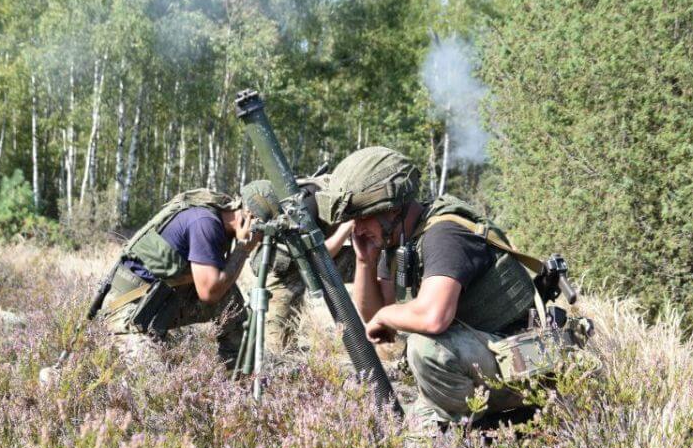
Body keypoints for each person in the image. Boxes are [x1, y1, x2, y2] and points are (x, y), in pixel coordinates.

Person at [316, 146, 575, 427]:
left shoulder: (444, 234)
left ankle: (480, 429)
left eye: (361, 216)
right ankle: (474, 425)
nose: (355, 227)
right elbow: (376, 317)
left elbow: (432, 317)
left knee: (426, 349)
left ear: (389, 209)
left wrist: (383, 316)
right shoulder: (399, 241)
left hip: (527, 361)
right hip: (493, 354)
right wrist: (364, 261)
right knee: (412, 432)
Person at [98, 188, 258, 366]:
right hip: (128, 312)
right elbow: (209, 292)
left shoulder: (217, 219)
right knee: (152, 384)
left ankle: (236, 382)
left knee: (231, 302)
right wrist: (243, 249)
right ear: (250, 216)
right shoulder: (206, 223)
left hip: (159, 300)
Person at [237, 177, 356, 352]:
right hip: (290, 261)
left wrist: (349, 225)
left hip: (322, 252)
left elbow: (323, 254)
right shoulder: (270, 211)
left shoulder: (302, 210)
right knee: (277, 346)